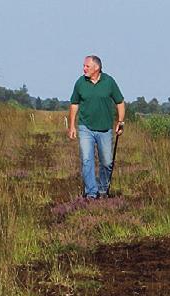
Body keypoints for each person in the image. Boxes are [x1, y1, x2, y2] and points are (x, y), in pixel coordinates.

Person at [68, 55, 125, 199]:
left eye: (87, 66)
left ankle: (103, 189)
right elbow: (74, 104)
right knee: (87, 160)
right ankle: (91, 193)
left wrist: (120, 121)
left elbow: (120, 102)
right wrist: (72, 126)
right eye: (84, 66)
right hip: (85, 127)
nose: (84, 69)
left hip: (105, 128)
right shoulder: (80, 82)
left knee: (106, 161)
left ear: (96, 68)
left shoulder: (109, 82)